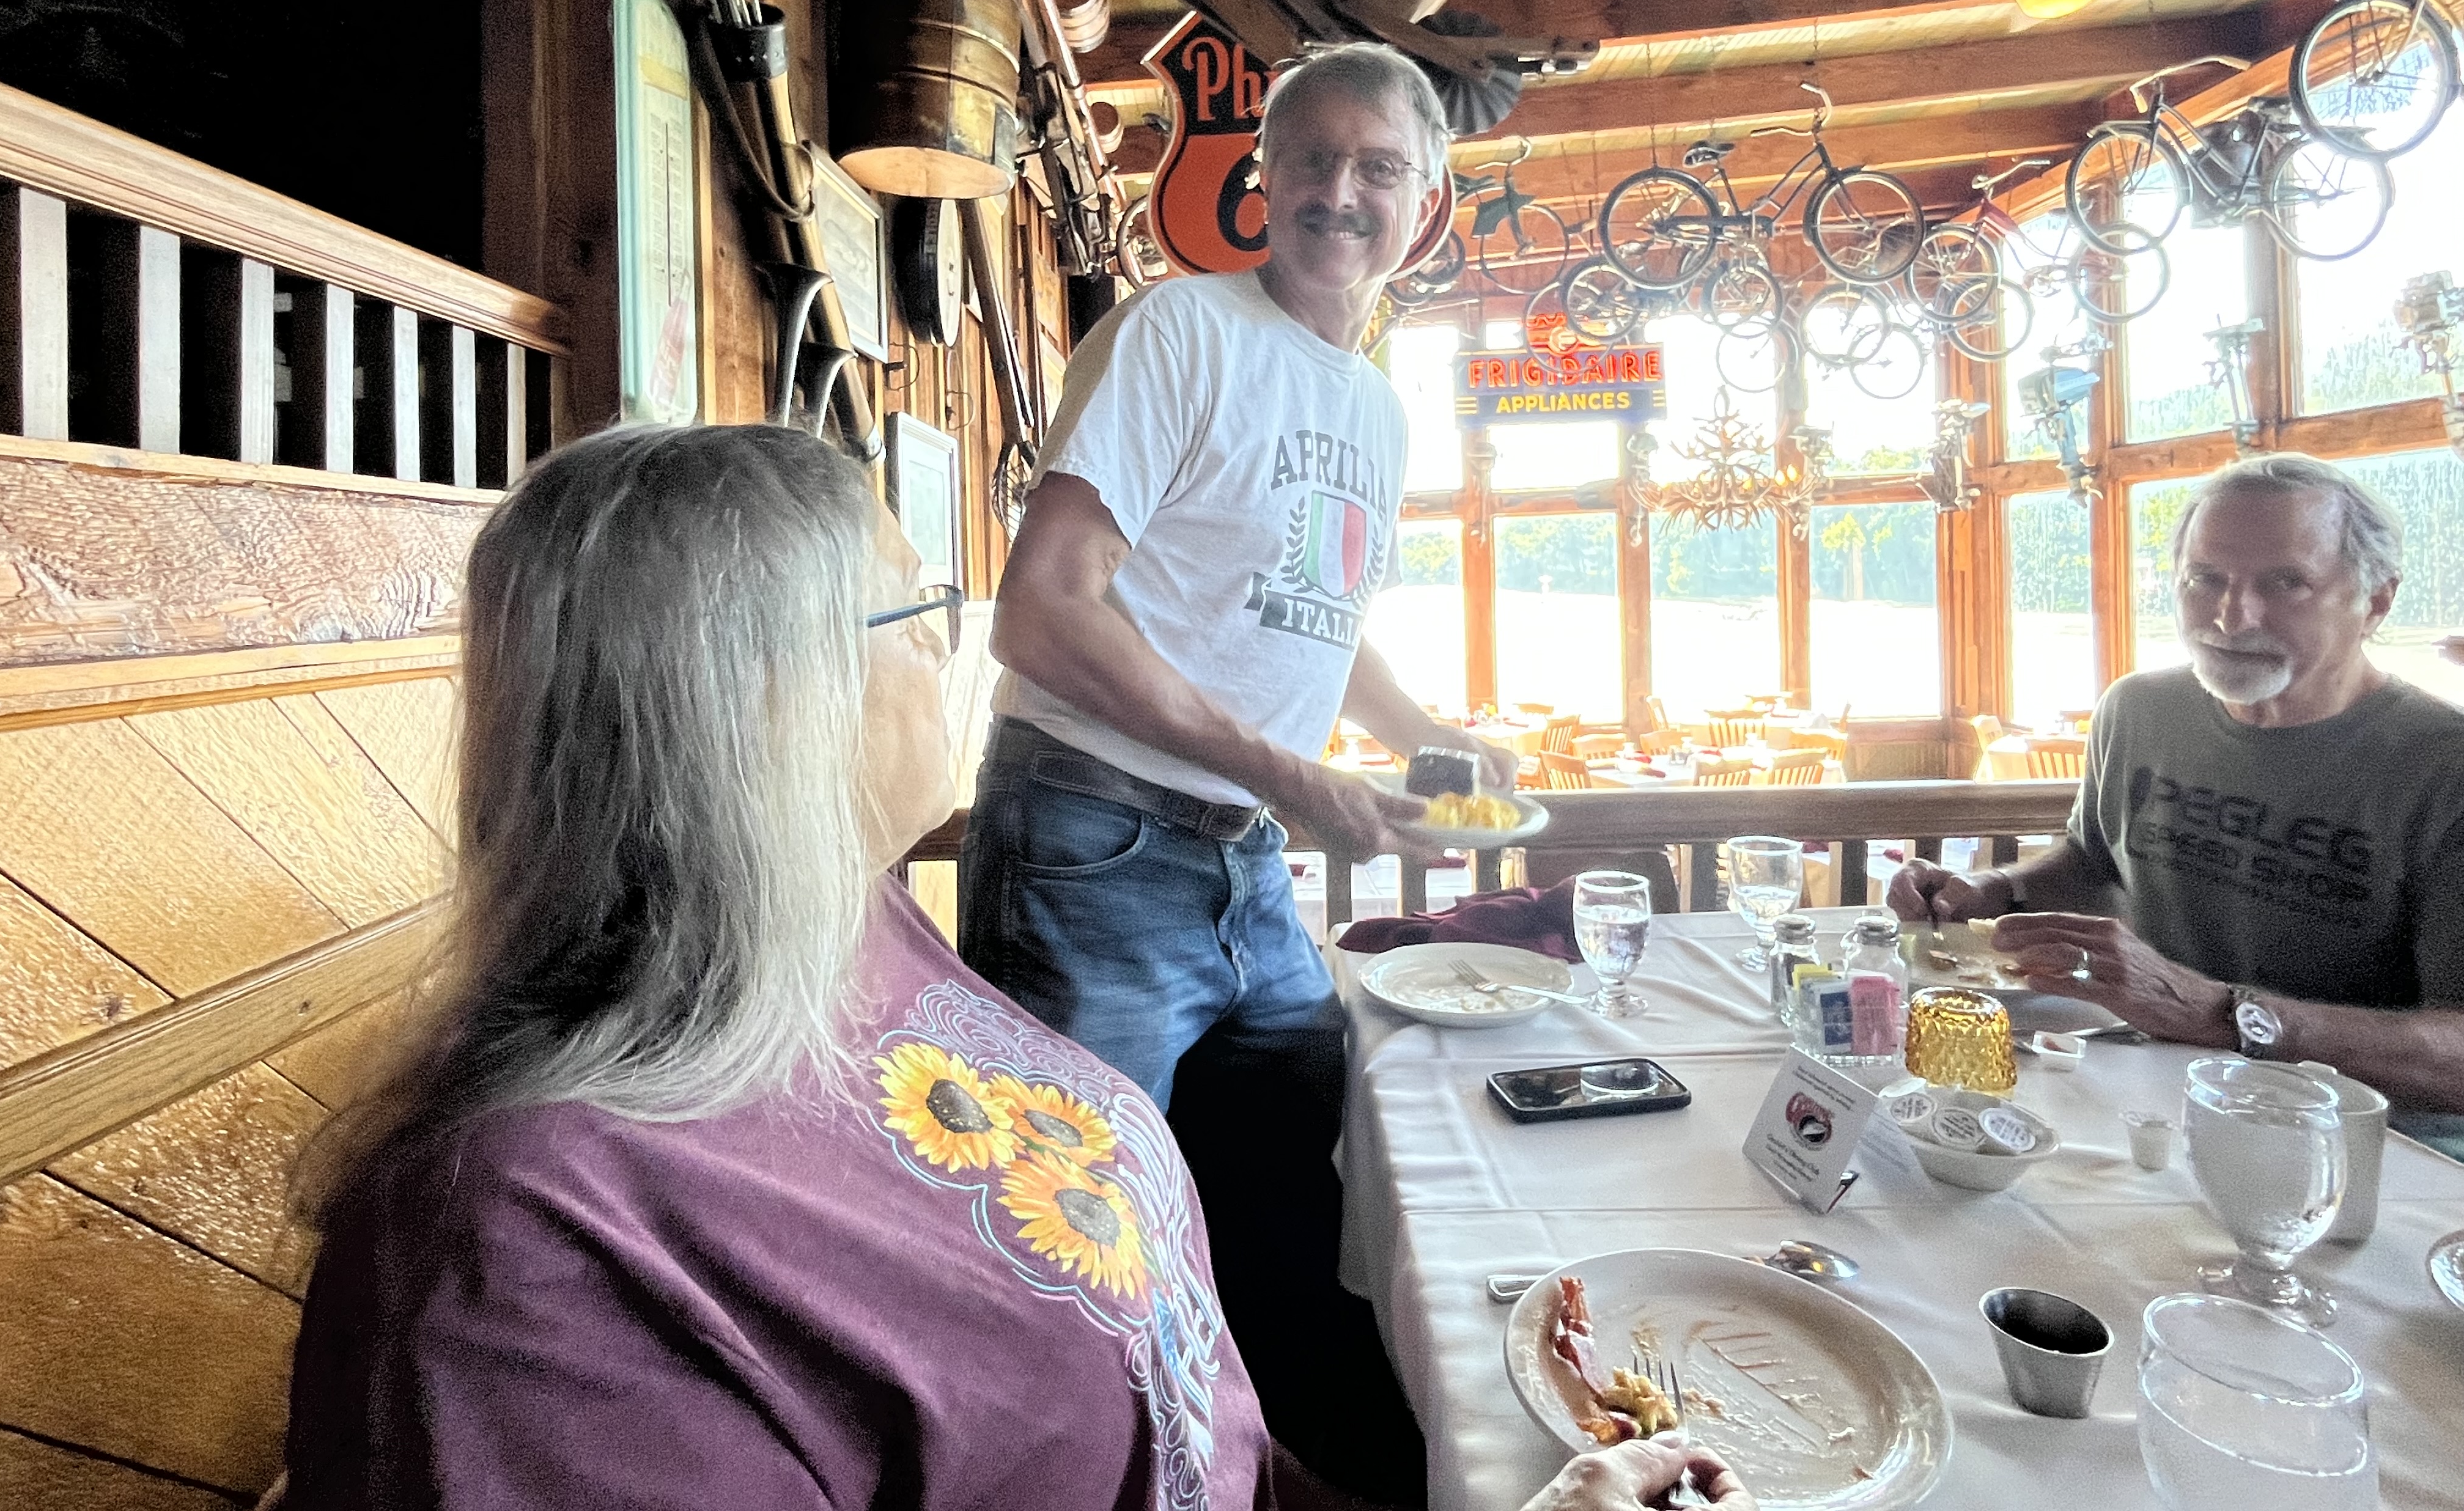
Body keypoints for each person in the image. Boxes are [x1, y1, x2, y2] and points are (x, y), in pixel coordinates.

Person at [276, 422, 1752, 1511]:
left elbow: (1188, 1431)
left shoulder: (856, 935)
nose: (956, 647)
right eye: (914, 609)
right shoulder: (532, 1264)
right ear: (757, 700)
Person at [959, 45, 1515, 1498]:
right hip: (1090, 845)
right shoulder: (1178, 333)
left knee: (1283, 1205)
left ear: (1428, 207)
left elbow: (1316, 618)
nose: (1340, 192)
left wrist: (1431, 738)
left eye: (1378, 168)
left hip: (1244, 869)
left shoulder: (1376, 405)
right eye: (1310, 159)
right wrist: (1296, 774)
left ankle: (1263, 1476)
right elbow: (1043, 609)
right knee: (1069, 1240)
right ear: (1259, 180)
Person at [1891, 454, 2464, 1139]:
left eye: (2286, 582)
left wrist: (2218, 1013)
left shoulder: (2443, 765)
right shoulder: (2139, 710)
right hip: (2149, 1101)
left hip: (2371, 1146)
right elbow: (2094, 863)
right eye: (2205, 579)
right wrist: (1996, 890)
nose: (2232, 617)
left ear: (2377, 601)